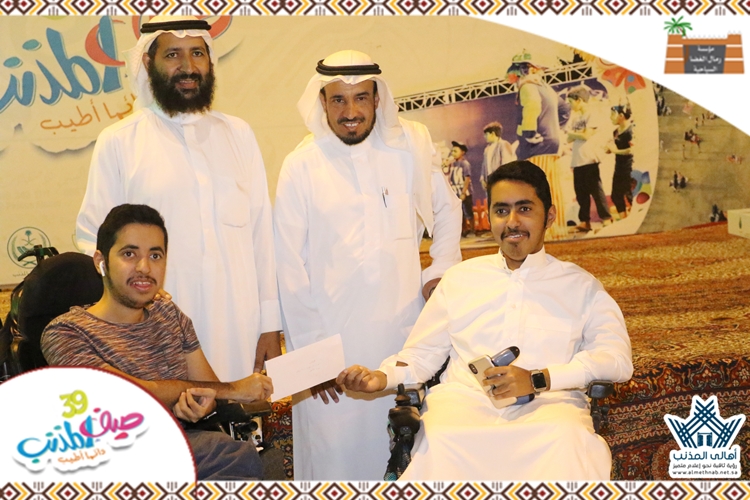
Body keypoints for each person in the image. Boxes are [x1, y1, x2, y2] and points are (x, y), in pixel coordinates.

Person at [338, 160, 633, 480]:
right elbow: (421, 355)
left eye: (524, 209)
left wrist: (538, 379)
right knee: (441, 437)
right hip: (463, 408)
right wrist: (380, 378)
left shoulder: (581, 287)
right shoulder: (459, 279)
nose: (512, 222)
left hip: (549, 410)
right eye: (501, 210)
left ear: (549, 216)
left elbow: (616, 360)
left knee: (566, 439)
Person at [274, 50, 462, 480]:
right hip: (330, 340)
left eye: (361, 97)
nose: (351, 111)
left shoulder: (409, 147)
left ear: (378, 99)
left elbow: (447, 210)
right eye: (338, 99)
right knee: (333, 456)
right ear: (322, 102)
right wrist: (314, 356)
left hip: (401, 331)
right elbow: (287, 264)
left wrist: (439, 271)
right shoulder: (301, 165)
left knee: (402, 447)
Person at [75, 16, 281, 381]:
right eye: (173, 54)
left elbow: (262, 236)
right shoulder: (120, 141)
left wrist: (269, 324)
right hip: (153, 330)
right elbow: (93, 236)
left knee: (239, 412)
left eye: (197, 53)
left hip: (238, 324)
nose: (188, 67)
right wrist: (130, 306)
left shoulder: (238, 134)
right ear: (147, 62)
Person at [42, 204, 274, 480]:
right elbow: (128, 394)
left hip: (186, 450)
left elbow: (209, 390)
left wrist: (200, 407)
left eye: (155, 255)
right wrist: (234, 389)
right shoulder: (66, 332)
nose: (144, 267)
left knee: (250, 459)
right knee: (235, 456)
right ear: (100, 262)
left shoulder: (169, 315)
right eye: (129, 254)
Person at [506, 50, 571, 240]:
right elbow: (565, 109)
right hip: (551, 144)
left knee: (538, 191)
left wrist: (530, 132)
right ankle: (558, 230)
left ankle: (547, 234)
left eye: (521, 69)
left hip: (536, 146)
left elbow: (532, 106)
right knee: (552, 188)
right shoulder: (548, 89)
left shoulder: (528, 86)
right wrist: (553, 130)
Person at [566, 86, 612, 232]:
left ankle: (606, 218)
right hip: (577, 160)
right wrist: (576, 134)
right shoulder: (576, 118)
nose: (570, 105)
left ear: (579, 100)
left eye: (571, 102)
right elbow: (568, 138)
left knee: (596, 190)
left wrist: (574, 134)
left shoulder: (592, 114)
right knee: (581, 194)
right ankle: (585, 222)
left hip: (589, 157)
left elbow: (586, 135)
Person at [605, 104, 635, 219]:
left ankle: (634, 219)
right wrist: (609, 149)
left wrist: (615, 151)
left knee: (630, 195)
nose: (610, 117)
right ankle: (624, 219)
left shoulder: (631, 130)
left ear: (621, 116)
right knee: (616, 195)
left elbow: (632, 150)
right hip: (619, 167)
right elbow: (615, 147)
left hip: (629, 167)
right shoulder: (616, 131)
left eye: (613, 114)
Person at [446, 141, 475, 237]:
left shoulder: (465, 164)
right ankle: (464, 230)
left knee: (468, 211)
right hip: (455, 191)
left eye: (455, 151)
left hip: (464, 191)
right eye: (452, 151)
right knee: (459, 212)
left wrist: (463, 192)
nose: (453, 153)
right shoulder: (452, 164)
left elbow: (467, 179)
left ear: (462, 152)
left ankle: (472, 230)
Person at [480, 121, 517, 191]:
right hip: (490, 183)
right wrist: (482, 179)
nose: (484, 137)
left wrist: (500, 180)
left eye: (486, 134)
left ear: (493, 134)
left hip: (501, 183)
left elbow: (506, 165)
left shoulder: (503, 144)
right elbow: (484, 165)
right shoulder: (487, 149)